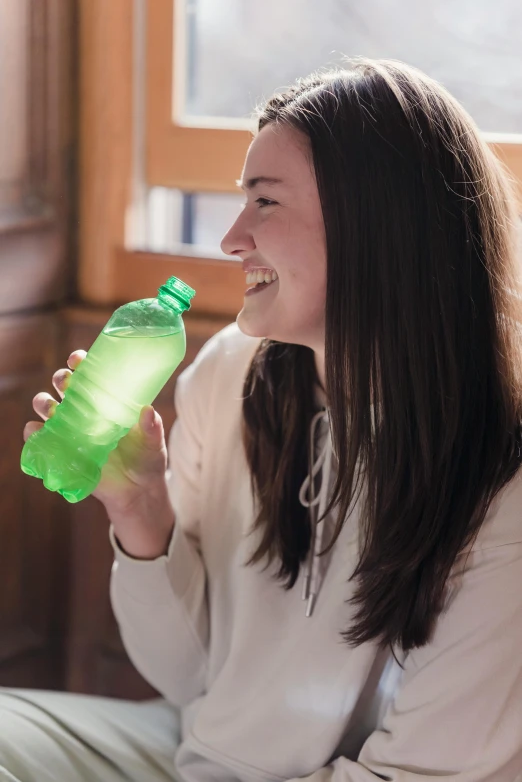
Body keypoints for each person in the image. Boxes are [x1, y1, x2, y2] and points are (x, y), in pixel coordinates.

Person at [3, 57, 522, 782]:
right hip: (195, 745)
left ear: (378, 227)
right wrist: (140, 509)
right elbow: (190, 679)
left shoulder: (501, 478)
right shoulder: (228, 372)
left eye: (266, 203)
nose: (231, 238)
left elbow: (417, 776)